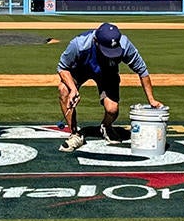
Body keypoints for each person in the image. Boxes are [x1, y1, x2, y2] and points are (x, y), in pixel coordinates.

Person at [56, 22, 164, 152]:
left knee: (112, 110)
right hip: (80, 70)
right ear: (96, 41)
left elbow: (142, 71)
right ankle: (75, 134)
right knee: (64, 90)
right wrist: (73, 89)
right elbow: (62, 68)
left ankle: (106, 126)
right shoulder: (79, 44)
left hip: (108, 73)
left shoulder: (124, 45)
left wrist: (151, 99)